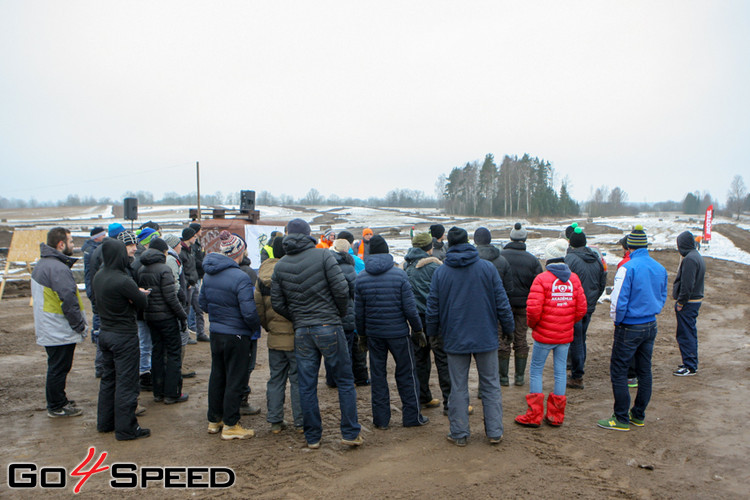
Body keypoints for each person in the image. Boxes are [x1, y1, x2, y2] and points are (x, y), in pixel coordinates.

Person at [271, 218, 362, 449]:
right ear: (308, 234)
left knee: (306, 384)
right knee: (344, 381)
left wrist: (299, 318)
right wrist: (338, 315)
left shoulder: (280, 265)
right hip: (329, 326)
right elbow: (342, 289)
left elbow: (277, 303)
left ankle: (313, 437)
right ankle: (350, 432)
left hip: (303, 331)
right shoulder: (323, 256)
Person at [426, 227, 515, 446]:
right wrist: (509, 328)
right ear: (468, 242)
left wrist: (432, 333)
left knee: (458, 386)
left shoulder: (441, 272)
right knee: (491, 384)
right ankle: (494, 432)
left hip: (455, 337)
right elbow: (502, 301)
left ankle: (459, 434)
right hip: (485, 335)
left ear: (450, 245)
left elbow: (432, 307)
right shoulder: (487, 268)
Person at [598, 225, 667, 431]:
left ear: (629, 247)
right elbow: (662, 295)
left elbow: (618, 301)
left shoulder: (627, 268)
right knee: (644, 371)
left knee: (619, 370)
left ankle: (620, 417)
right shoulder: (659, 268)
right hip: (650, 324)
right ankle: (638, 415)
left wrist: (617, 321)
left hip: (629, 325)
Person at [355, 235, 428, 429]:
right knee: (407, 374)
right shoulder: (399, 275)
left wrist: (362, 335)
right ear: (387, 252)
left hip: (374, 335)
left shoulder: (361, 277)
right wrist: (418, 329)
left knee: (378, 376)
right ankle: (412, 417)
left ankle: (381, 420)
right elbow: (410, 309)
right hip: (399, 334)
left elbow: (358, 313)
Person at [515, 240, 587, 428]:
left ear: (549, 257)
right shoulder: (574, 279)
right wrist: (568, 322)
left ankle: (534, 415)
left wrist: (534, 325)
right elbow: (581, 308)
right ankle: (556, 416)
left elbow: (533, 309)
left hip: (544, 335)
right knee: (560, 372)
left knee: (536, 370)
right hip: (564, 335)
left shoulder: (542, 279)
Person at [200, 231, 261, 440]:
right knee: (236, 379)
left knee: (217, 376)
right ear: (239, 252)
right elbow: (249, 312)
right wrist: (255, 328)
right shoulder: (241, 277)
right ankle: (231, 424)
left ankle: (214, 420)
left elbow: (202, 304)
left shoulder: (209, 275)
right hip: (237, 334)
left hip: (217, 332)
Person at [93, 239, 151, 440]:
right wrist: (139, 294)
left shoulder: (99, 276)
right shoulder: (123, 280)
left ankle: (105, 422)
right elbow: (142, 302)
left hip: (105, 333)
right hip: (123, 336)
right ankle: (126, 429)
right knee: (127, 383)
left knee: (109, 380)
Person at [31, 227, 87, 418]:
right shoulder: (57, 268)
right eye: (71, 242)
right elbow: (68, 300)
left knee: (57, 366)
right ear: (61, 244)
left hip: (50, 326)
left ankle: (59, 400)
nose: (74, 245)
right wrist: (79, 325)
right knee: (59, 368)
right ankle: (56, 405)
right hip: (58, 327)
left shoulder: (45, 264)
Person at [255, 236, 303, 433]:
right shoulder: (294, 272)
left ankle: (275, 421)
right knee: (298, 381)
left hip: (274, 338)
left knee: (276, 379)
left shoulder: (262, 276)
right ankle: (300, 422)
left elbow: (259, 309)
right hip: (295, 337)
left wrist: (269, 328)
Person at [137, 237, 189, 405]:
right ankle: (172, 393)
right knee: (173, 354)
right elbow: (171, 297)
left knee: (157, 352)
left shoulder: (142, 268)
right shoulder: (164, 269)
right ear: (164, 252)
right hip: (167, 318)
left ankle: (158, 392)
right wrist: (182, 315)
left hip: (150, 317)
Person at [403, 231, 450, 414]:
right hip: (434, 320)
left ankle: (423, 397)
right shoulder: (435, 268)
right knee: (442, 360)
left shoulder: (407, 266)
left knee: (420, 360)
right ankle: (450, 402)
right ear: (429, 248)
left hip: (415, 321)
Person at [499, 222, 543, 386]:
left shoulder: (501, 257)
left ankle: (503, 378)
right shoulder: (532, 260)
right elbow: (539, 284)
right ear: (524, 239)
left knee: (503, 339)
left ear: (510, 238)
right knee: (521, 339)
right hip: (524, 306)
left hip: (504, 306)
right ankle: (519, 377)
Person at [564, 228, 607, 390]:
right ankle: (577, 368)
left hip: (575, 307)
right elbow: (602, 282)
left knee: (576, 340)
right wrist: (593, 300)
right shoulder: (596, 259)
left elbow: (564, 283)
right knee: (580, 338)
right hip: (588, 306)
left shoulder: (569, 260)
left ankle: (577, 375)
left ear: (571, 243)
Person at [325, 237, 369, 388]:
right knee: (347, 348)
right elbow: (355, 292)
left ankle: (331, 380)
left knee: (330, 349)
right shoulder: (349, 267)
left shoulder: (326, 265)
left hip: (329, 315)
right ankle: (346, 379)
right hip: (347, 314)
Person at [672, 231, 705, 377]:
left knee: (686, 334)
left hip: (688, 303)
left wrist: (681, 302)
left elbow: (687, 284)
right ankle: (690, 362)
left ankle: (690, 366)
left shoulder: (690, 259)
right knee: (689, 332)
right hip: (693, 301)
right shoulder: (695, 256)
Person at [237, 244, 262, 416]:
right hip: (246, 331)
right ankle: (241, 400)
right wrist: (255, 326)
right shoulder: (249, 273)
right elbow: (253, 305)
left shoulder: (218, 272)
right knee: (246, 366)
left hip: (226, 329)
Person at [82, 227, 105, 375]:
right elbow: (91, 274)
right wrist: (93, 293)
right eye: (103, 235)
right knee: (99, 324)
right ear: (97, 237)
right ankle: (100, 367)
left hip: (94, 290)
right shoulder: (93, 252)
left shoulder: (91, 250)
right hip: (96, 292)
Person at [179, 226, 204, 343]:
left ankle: (201, 333)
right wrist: (187, 283)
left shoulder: (191, 250)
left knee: (199, 309)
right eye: (194, 236)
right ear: (189, 237)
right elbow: (182, 271)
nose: (195, 238)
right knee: (186, 311)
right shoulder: (182, 252)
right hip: (188, 285)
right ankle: (186, 335)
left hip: (194, 283)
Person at [473, 227, 513, 296]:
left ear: (475, 241)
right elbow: (509, 289)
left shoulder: (469, 261)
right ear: (489, 239)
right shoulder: (502, 261)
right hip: (496, 303)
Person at [187, 222, 208, 342]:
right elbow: (193, 263)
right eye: (200, 230)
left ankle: (199, 332)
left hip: (195, 278)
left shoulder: (196, 245)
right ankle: (191, 327)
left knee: (198, 306)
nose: (201, 232)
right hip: (191, 281)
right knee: (189, 305)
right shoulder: (192, 249)